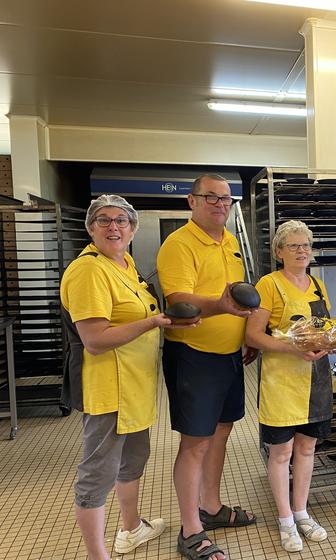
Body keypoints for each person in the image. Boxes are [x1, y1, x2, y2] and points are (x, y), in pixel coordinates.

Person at [61, 195, 191, 559]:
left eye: (121, 220)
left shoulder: (124, 263)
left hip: (134, 385)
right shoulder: (89, 271)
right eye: (103, 220)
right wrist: (153, 321)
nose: (113, 227)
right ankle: (96, 554)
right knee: (97, 473)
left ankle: (132, 528)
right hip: (109, 389)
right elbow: (95, 340)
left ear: (133, 229)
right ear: (90, 228)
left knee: (132, 460)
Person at [157, 174, 256, 560]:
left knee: (221, 431)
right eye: (210, 197)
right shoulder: (178, 244)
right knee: (195, 442)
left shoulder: (229, 242)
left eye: (226, 199)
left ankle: (211, 508)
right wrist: (223, 307)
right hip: (194, 355)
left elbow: (238, 296)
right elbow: (179, 298)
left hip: (229, 355)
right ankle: (190, 529)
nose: (220, 205)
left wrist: (246, 332)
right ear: (191, 201)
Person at [244, 220, 333, 553]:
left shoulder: (317, 285)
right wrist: (293, 348)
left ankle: (302, 512)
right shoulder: (269, 284)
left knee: (307, 449)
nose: (301, 251)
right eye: (293, 246)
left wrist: (329, 342)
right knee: (281, 453)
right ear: (279, 251)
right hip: (281, 381)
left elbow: (325, 327)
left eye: (306, 245)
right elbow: (252, 335)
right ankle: (285, 520)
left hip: (316, 379)